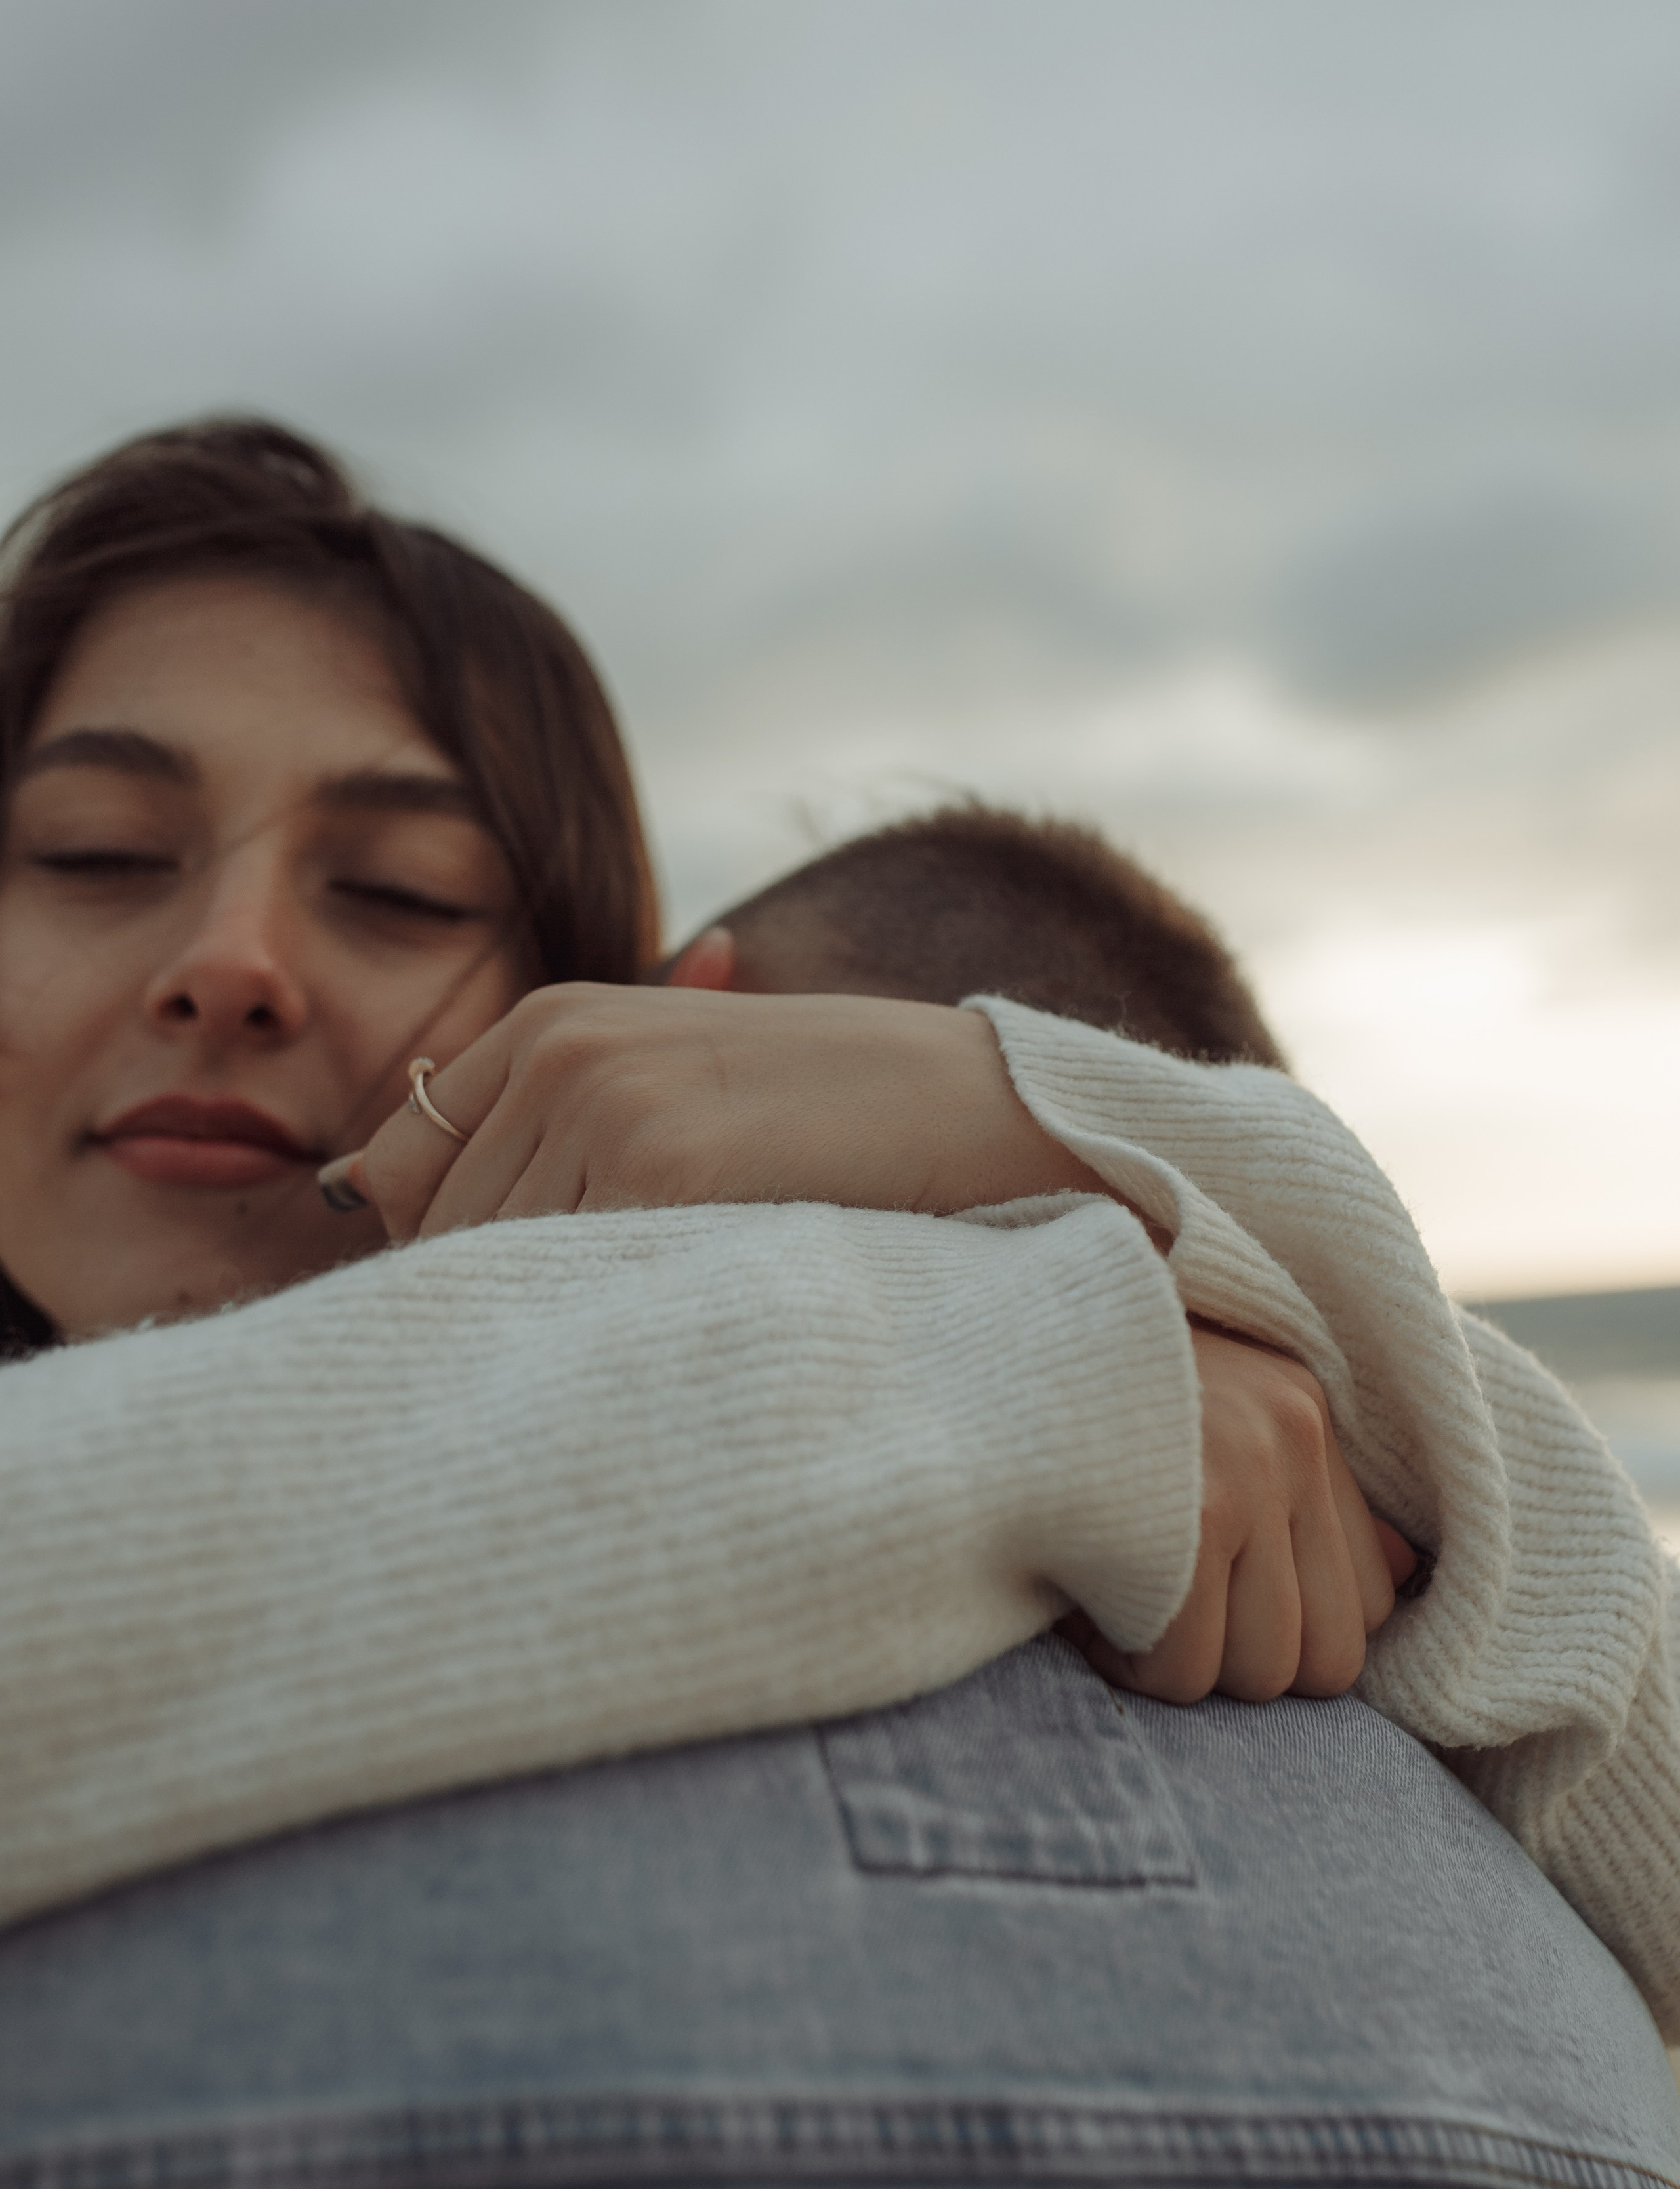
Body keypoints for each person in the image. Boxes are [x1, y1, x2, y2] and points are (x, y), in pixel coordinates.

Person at [0, 418, 1404, 1931]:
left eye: (399, 893)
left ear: (597, 1021)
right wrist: (1042, 1201)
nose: (230, 967)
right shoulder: (1037, 1383)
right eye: (94, 852)